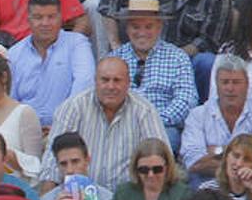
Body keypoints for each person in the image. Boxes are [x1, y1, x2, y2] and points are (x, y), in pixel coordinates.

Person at [39, 58, 168, 192]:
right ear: (95, 81)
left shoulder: (144, 111)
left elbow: (162, 157)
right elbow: (52, 161)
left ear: (128, 83)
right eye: (105, 80)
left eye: (117, 80)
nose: (111, 86)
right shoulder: (73, 107)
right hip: (81, 197)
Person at [97, 0, 232, 71]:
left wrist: (168, 59)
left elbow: (208, 42)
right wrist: (115, 44)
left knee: (207, 62)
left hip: (186, 62)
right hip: (140, 54)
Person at [111, 0, 196, 150]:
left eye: (148, 26)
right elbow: (105, 97)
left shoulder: (177, 57)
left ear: (159, 27)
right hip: (122, 125)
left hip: (163, 125)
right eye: (135, 27)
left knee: (166, 140)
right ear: (127, 29)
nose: (142, 33)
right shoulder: (114, 58)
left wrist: (155, 120)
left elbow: (187, 99)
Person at [180, 55, 252, 181]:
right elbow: (194, 163)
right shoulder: (197, 115)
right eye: (225, 82)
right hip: (207, 182)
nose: (230, 88)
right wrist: (243, 157)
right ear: (216, 84)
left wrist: (217, 151)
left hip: (249, 181)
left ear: (247, 84)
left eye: (236, 82)